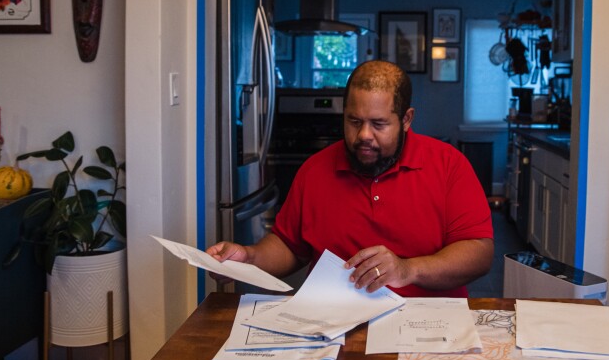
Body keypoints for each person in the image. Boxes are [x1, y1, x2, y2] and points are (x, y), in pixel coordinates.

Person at [207, 60, 494, 297]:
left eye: (379, 124)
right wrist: (248, 257)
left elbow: (479, 253)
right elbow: (289, 246)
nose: (364, 135)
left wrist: (408, 269)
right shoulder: (315, 169)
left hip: (426, 325)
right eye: (354, 121)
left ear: (406, 120)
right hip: (333, 324)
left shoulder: (448, 165)